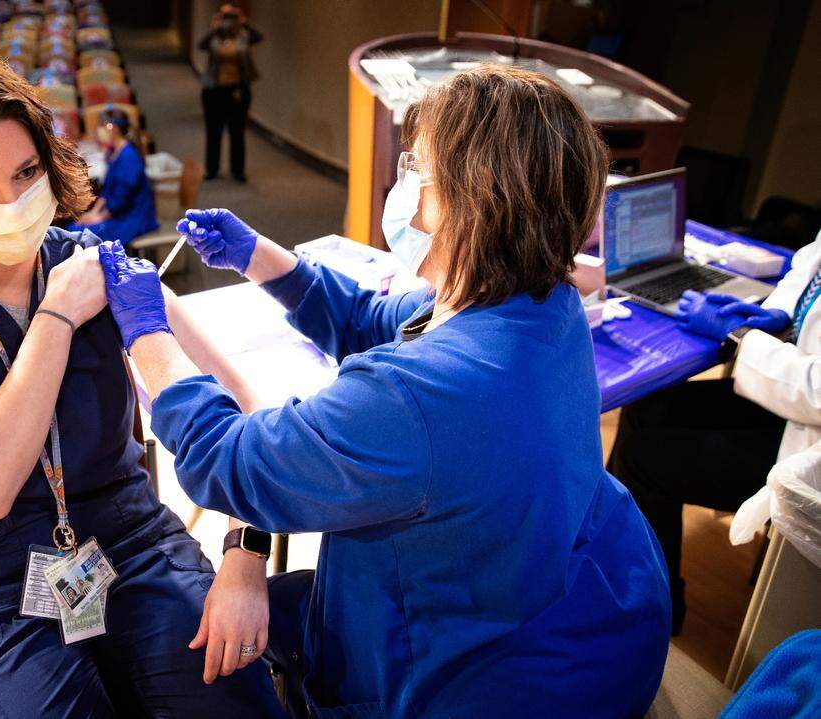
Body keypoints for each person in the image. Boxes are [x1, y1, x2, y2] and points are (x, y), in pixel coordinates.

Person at [98, 66, 670, 718]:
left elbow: (229, 462)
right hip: (559, 596)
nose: (406, 186)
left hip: (460, 671)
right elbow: (383, 322)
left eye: (417, 168)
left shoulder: (420, 397)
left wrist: (147, 329)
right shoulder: (543, 301)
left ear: (468, 200)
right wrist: (258, 256)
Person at [0, 46, 284, 719]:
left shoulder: (98, 263)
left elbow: (247, 408)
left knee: (235, 695)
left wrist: (246, 557)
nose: (14, 203)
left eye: (25, 173)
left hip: (127, 550)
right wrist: (57, 315)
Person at [607, 231, 820, 635]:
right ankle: (615, 566)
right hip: (790, 403)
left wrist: (742, 337)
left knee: (644, 458)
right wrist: (780, 312)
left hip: (809, 451)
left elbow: (817, 391)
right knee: (648, 404)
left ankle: (654, 613)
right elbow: (808, 267)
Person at [67, 106, 157, 246]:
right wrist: (94, 213)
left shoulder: (128, 156)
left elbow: (122, 198)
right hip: (119, 214)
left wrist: (99, 217)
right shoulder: (113, 152)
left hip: (133, 217)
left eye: (101, 126)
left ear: (112, 128)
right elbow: (107, 191)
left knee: (77, 236)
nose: (98, 131)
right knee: (74, 230)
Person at [197, 4, 261, 182]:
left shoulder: (243, 35)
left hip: (237, 90)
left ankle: (237, 170)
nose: (228, 21)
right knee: (213, 130)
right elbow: (200, 45)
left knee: (237, 131)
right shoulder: (214, 36)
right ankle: (212, 168)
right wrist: (213, 28)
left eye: (231, 16)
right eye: (225, 16)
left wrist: (244, 22)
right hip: (213, 90)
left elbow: (259, 37)